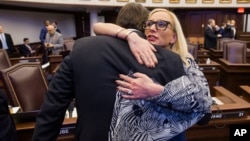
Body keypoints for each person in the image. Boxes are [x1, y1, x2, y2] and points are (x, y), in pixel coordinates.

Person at [31, 3, 186, 141]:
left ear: (118, 23)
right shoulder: (170, 59)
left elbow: (52, 109)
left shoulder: (81, 49)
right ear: (144, 26)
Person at [94, 5, 212, 141]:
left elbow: (204, 105)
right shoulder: (139, 53)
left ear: (173, 37)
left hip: (170, 136)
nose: (152, 28)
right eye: (149, 24)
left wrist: (156, 91)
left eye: (161, 24)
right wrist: (131, 35)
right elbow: (97, 27)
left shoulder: (185, 61)